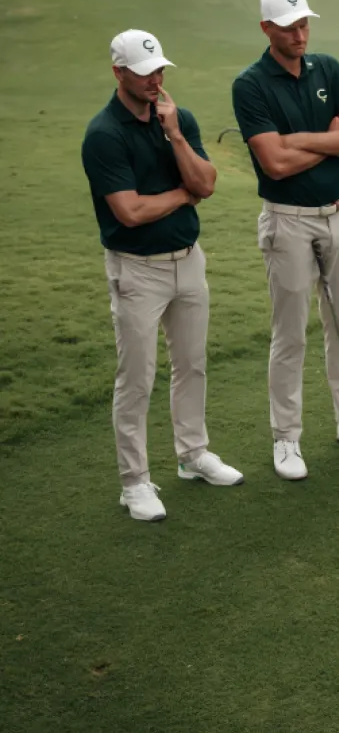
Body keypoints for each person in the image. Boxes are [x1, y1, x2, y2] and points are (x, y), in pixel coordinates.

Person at [231, 0, 339, 480]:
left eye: (304, 25)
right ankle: (286, 439)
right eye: (289, 28)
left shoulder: (326, 68)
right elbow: (275, 165)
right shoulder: (250, 85)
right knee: (290, 334)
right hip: (288, 220)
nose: (300, 35)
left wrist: (299, 140)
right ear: (267, 29)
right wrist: (330, 140)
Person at [81, 30, 244, 522]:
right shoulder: (104, 134)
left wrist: (175, 135)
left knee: (192, 364)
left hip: (188, 260)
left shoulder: (179, 118)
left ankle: (193, 455)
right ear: (119, 73)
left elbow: (206, 183)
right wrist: (181, 196)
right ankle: (134, 483)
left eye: (159, 70)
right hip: (137, 270)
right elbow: (129, 212)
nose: (155, 80)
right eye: (144, 72)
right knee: (137, 378)